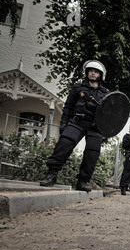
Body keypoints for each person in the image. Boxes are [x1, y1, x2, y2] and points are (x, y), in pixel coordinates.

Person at [40, 60, 110, 192]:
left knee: (92, 153)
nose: (92, 73)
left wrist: (106, 127)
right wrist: (64, 122)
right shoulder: (78, 88)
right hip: (78, 121)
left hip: (95, 126)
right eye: (90, 71)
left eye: (95, 71)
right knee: (64, 143)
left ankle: (83, 181)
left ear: (101, 74)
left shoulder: (106, 93)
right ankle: (51, 175)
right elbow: (68, 106)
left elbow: (110, 114)